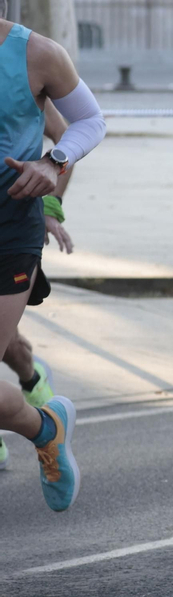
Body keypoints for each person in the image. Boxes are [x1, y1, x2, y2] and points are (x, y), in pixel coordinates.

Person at [0, 0, 104, 510]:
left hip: (8, 224)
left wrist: (52, 170)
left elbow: (89, 123)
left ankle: (43, 425)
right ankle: (45, 425)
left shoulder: (36, 53)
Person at [0, 95, 73, 474]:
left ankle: (31, 382)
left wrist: (50, 206)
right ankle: (30, 384)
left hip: (11, 232)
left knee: (6, 338)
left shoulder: (19, 66)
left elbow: (66, 136)